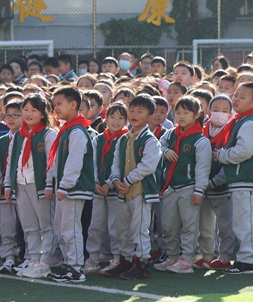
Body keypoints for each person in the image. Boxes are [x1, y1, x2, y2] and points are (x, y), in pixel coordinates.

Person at [105, 94, 162, 280]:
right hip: (124, 191)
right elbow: (115, 163)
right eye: (132, 110)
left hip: (141, 191)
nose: (134, 114)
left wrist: (127, 180)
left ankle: (142, 263)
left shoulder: (150, 140)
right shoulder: (123, 139)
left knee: (139, 228)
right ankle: (126, 259)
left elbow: (148, 166)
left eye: (140, 111)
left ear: (150, 117)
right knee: (122, 229)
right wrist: (115, 180)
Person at [214, 82, 253, 275]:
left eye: (242, 97)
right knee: (250, 219)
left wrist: (221, 155)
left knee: (244, 220)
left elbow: (244, 151)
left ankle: (247, 260)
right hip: (242, 178)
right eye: (236, 95)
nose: (236, 99)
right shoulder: (242, 121)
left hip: (245, 177)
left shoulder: (249, 123)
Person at [156, 96, 210, 274]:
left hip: (189, 187)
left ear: (197, 115)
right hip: (171, 187)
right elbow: (158, 146)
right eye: (177, 112)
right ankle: (171, 256)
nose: (180, 116)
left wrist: (199, 190)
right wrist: (165, 151)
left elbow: (203, 168)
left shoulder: (200, 140)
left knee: (189, 225)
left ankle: (187, 259)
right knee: (168, 225)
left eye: (186, 113)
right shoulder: (171, 134)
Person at [47, 86, 95, 284]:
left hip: (74, 188)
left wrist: (65, 185)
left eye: (59, 104)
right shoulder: (67, 130)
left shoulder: (77, 131)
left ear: (73, 105)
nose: (56, 108)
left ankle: (75, 268)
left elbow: (74, 161)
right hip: (65, 188)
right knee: (61, 227)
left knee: (71, 229)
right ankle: (69, 264)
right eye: (55, 104)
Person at [5, 94, 57, 279]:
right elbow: (11, 161)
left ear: (43, 114)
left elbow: (52, 162)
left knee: (46, 224)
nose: (28, 114)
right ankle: (33, 258)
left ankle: (45, 261)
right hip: (21, 183)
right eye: (25, 110)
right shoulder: (18, 135)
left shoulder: (49, 134)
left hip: (39, 184)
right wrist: (8, 184)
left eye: (33, 110)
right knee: (29, 225)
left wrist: (49, 184)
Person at [85, 103, 128, 274]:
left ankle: (117, 256)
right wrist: (95, 182)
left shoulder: (125, 139)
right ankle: (93, 257)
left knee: (114, 227)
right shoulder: (98, 139)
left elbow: (121, 166)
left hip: (115, 191)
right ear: (106, 118)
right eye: (112, 117)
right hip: (98, 190)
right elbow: (93, 163)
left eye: (120, 118)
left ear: (126, 121)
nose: (116, 121)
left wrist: (109, 183)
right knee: (95, 225)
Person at [196, 95, 236, 270]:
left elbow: (230, 163)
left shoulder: (232, 133)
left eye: (225, 111)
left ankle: (225, 257)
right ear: (208, 111)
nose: (220, 114)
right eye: (216, 110)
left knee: (225, 226)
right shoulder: (200, 131)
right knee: (204, 225)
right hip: (203, 189)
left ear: (230, 114)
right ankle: (206, 255)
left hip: (222, 189)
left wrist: (214, 182)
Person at [0, 99, 22, 274]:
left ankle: (29, 257)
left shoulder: (28, 137)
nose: (11, 119)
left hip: (24, 188)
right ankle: (8, 257)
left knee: (29, 226)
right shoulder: (2, 140)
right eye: (8, 115)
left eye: (16, 115)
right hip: (6, 190)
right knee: (7, 226)